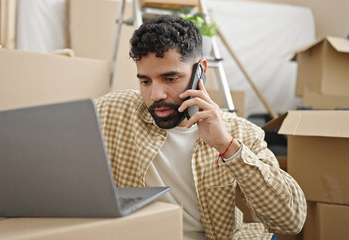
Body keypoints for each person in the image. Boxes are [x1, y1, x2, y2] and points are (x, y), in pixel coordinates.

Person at [95, 15, 306, 240]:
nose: (155, 95)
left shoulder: (240, 132)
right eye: (145, 81)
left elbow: (291, 221)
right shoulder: (112, 111)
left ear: (200, 71)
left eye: (170, 79)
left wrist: (226, 146)